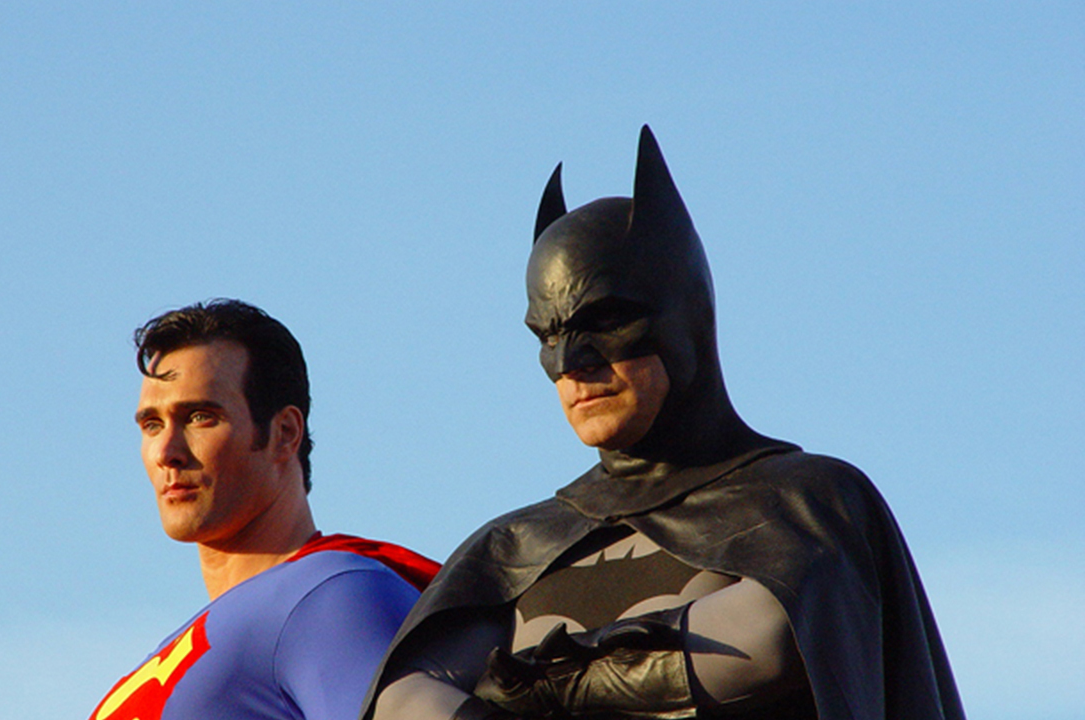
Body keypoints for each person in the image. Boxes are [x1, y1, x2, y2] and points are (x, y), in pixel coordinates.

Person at [365, 127, 965, 720]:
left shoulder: (808, 502)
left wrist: (540, 687)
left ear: (687, 317)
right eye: (548, 335)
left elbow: (775, 639)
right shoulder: (514, 548)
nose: (571, 363)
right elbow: (405, 695)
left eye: (606, 321)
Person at [88, 299, 439, 720]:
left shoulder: (330, 591)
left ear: (284, 433)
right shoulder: (158, 662)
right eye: (152, 425)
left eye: (200, 417)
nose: (166, 452)